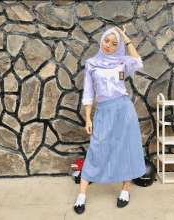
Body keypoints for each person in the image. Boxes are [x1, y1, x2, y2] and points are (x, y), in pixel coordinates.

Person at [74, 26, 147, 214]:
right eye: (107, 41)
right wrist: (87, 118)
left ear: (118, 47)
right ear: (102, 40)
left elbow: (138, 62)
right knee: (95, 149)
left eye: (114, 44)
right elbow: (88, 93)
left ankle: (125, 190)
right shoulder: (92, 63)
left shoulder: (122, 62)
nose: (109, 46)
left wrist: (125, 37)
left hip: (123, 109)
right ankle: (81, 195)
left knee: (126, 148)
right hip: (103, 111)